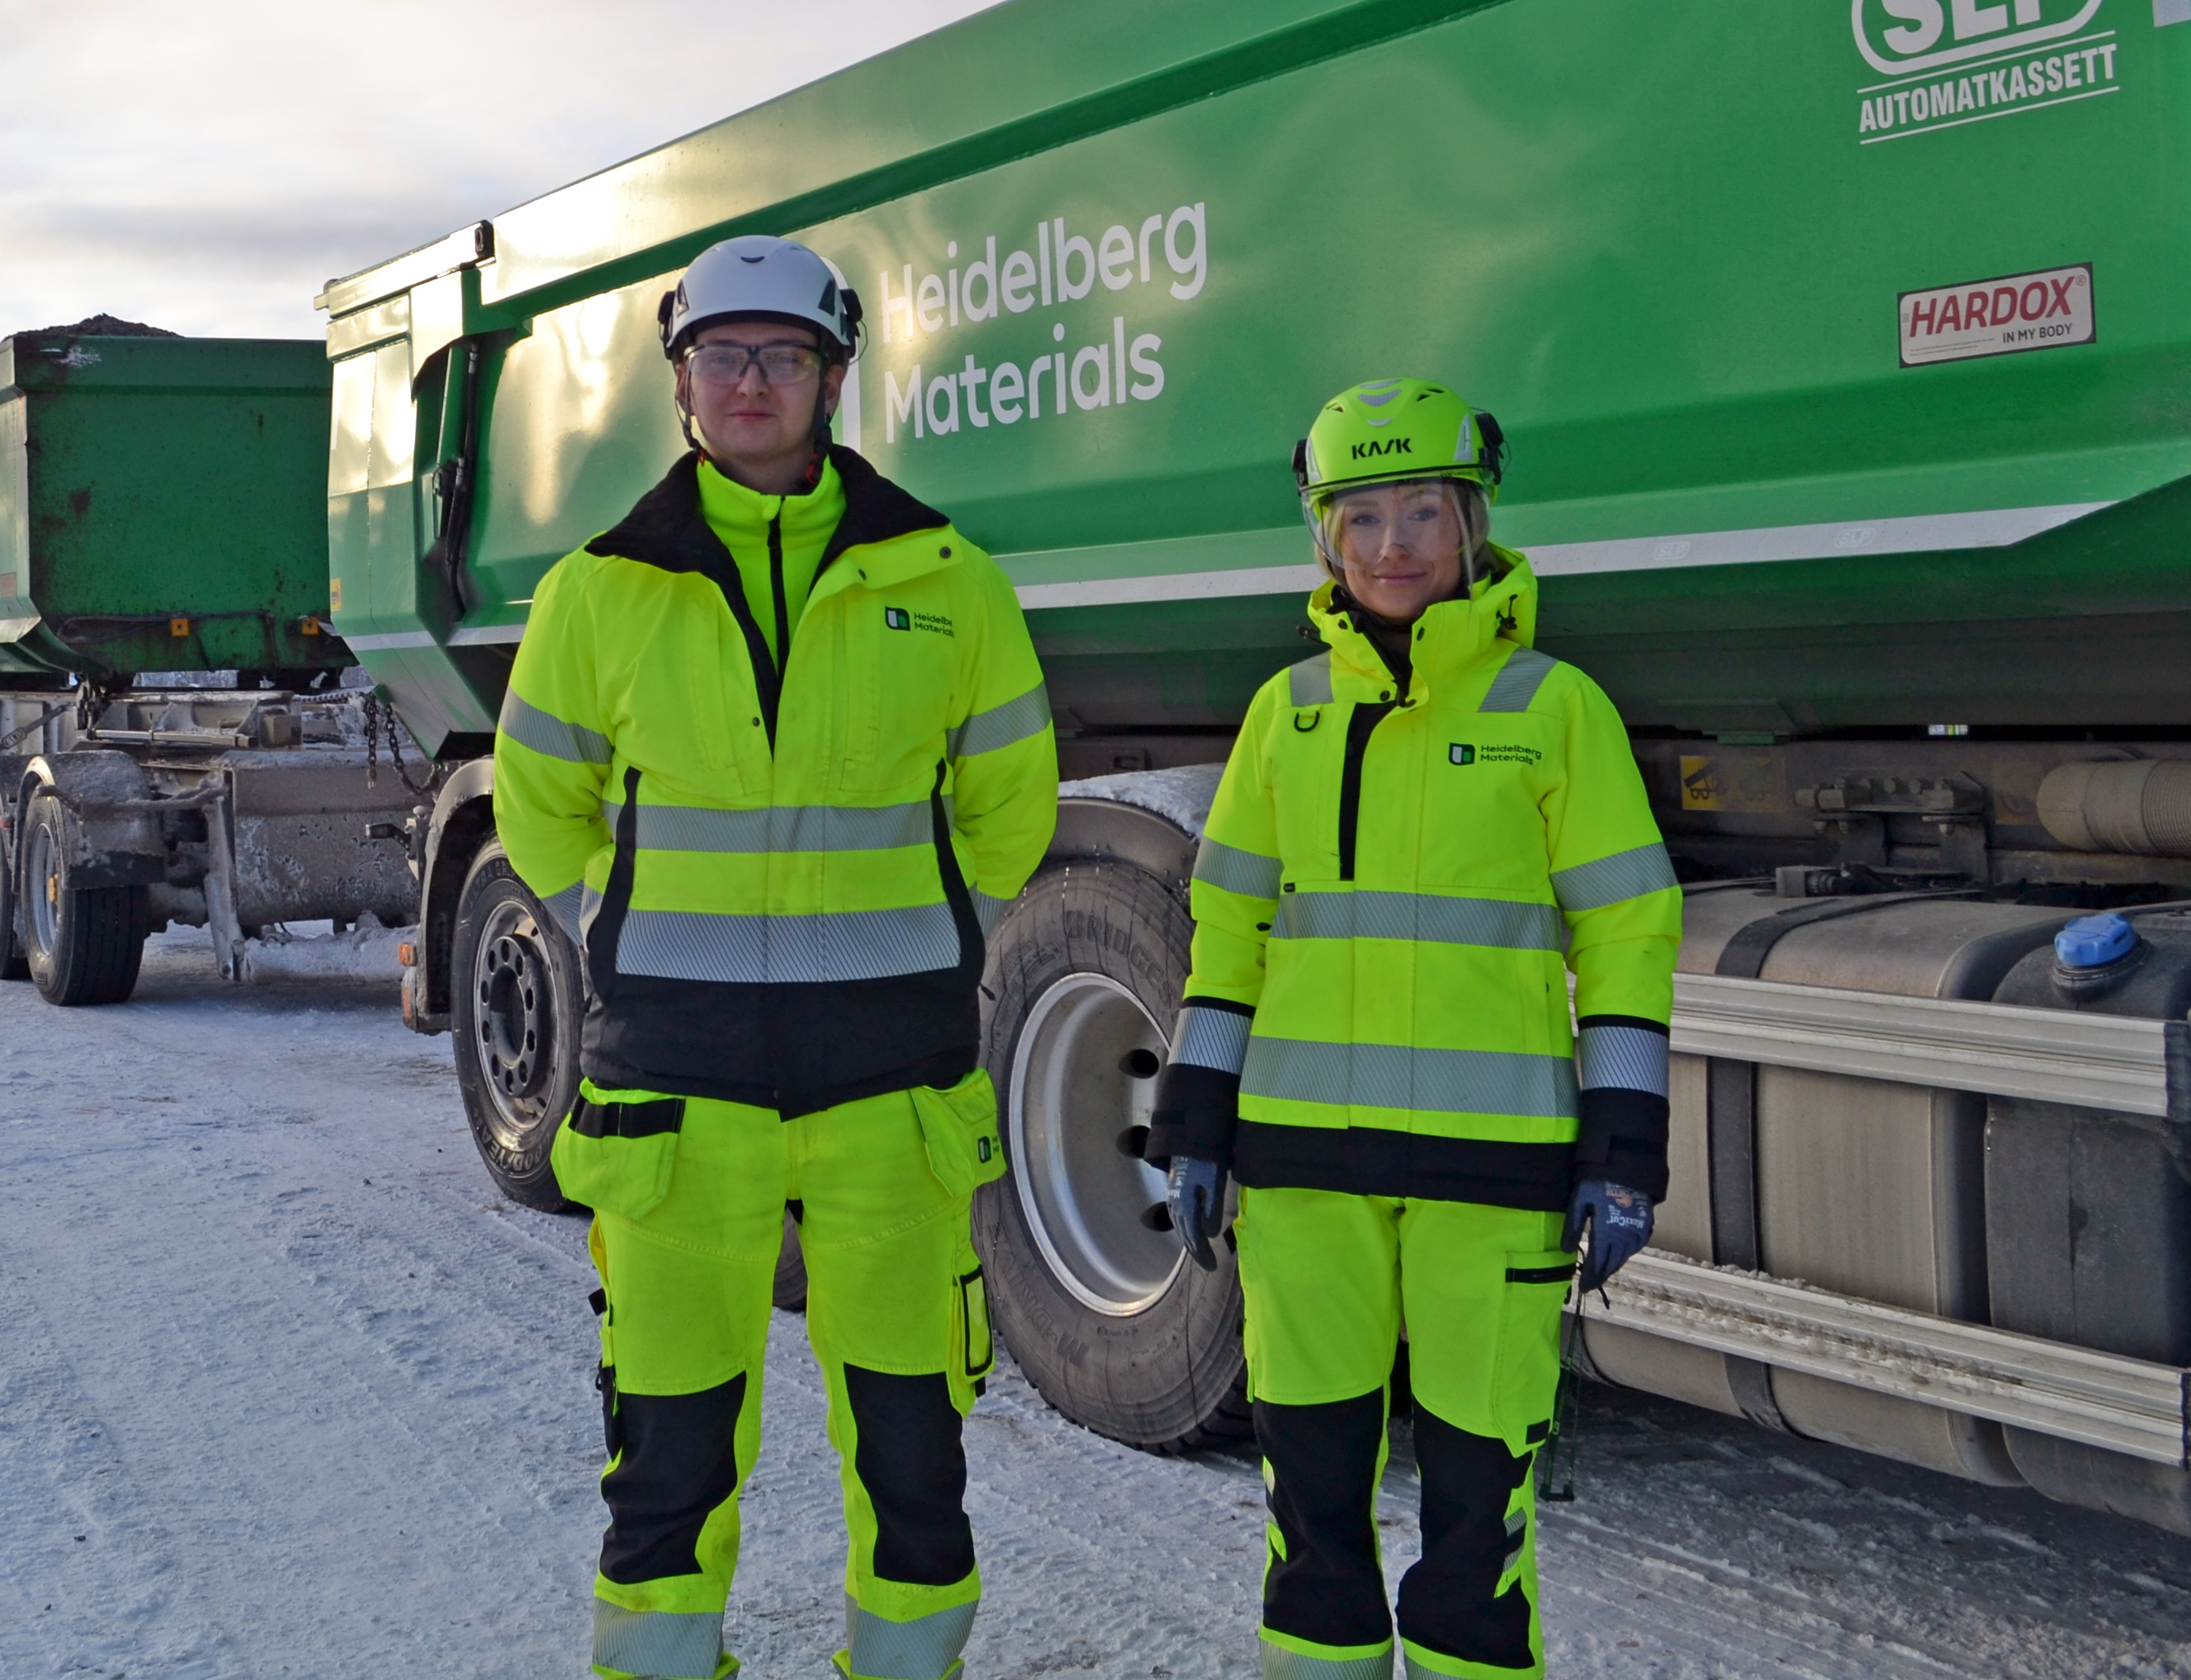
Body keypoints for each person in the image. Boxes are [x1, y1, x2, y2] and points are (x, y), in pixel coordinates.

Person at [495, 233, 1060, 1680]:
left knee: (916, 1462)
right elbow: (543, 814)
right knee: (666, 1472)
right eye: (723, 357)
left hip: (893, 1087)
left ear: (831, 379)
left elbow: (1006, 811)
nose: (754, 384)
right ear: (681, 383)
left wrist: (926, 939)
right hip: (676, 1096)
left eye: (785, 357)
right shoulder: (597, 593)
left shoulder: (949, 580)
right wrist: (618, 946)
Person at [1149, 377, 1678, 1680]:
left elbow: (1625, 932)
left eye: (1424, 513)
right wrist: (1196, 1117)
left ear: (1474, 522)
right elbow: (1231, 936)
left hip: (1489, 1176)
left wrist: (1620, 1142)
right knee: (1311, 1514)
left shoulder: (1556, 709)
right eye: (1363, 516)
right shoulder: (1287, 712)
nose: (1395, 547)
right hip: (1305, 1174)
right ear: (1325, 540)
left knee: (1475, 1522)